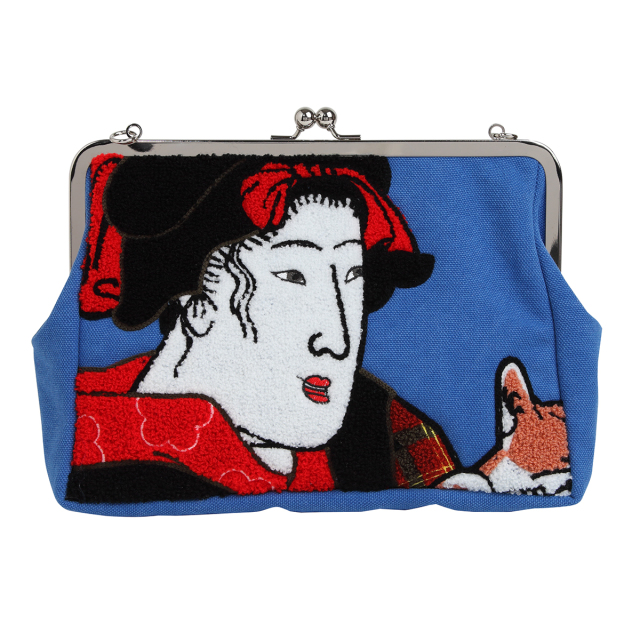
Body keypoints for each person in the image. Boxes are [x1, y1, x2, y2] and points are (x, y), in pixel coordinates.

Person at [67, 155, 571, 502]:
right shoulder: (95, 446)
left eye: (352, 278)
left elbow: (449, 493)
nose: (339, 339)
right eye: (293, 276)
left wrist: (503, 477)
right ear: (196, 305)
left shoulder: (378, 426)